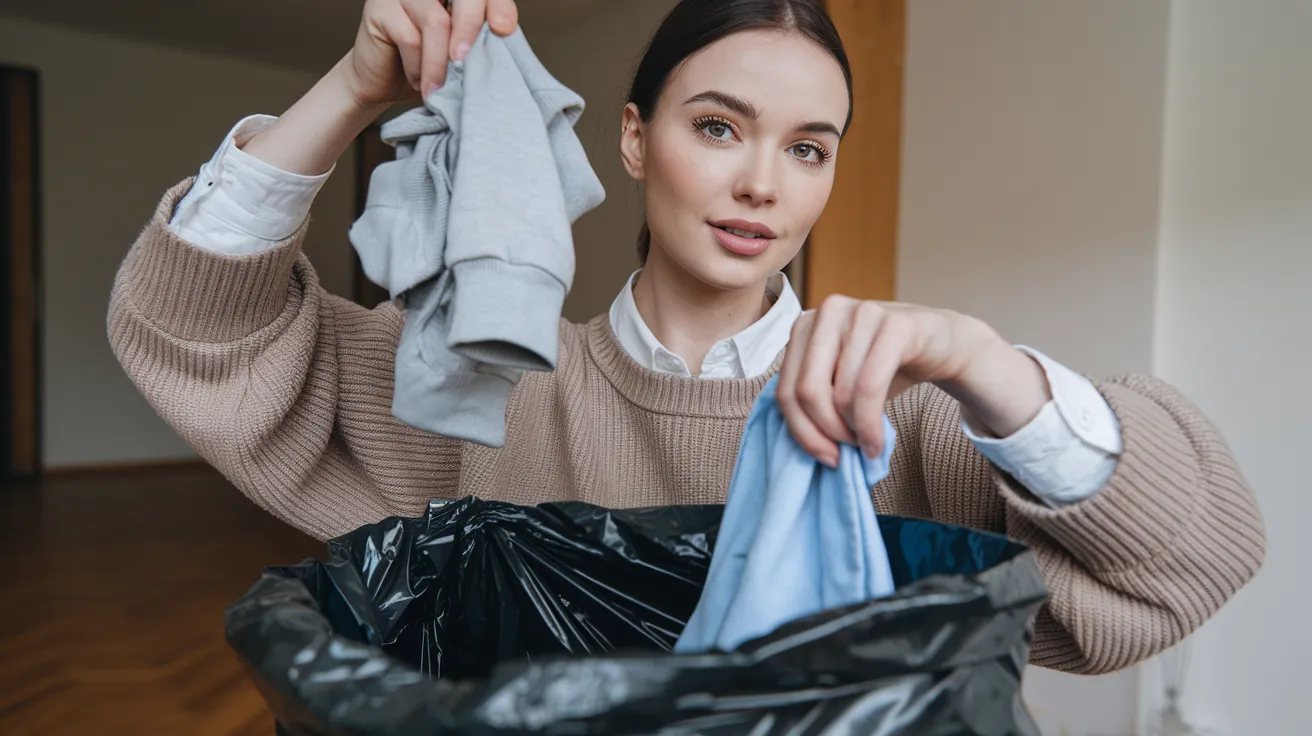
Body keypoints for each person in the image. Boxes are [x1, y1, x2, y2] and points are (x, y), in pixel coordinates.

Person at [108, 0, 1264, 676]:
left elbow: (1192, 556)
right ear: (632, 139)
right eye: (719, 126)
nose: (762, 181)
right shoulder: (477, 387)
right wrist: (354, 89)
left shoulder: (908, 422)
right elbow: (193, 326)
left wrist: (982, 363)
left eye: (809, 148)